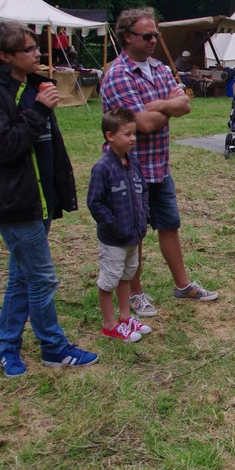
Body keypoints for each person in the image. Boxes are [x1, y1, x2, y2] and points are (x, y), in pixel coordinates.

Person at [0, 21, 98, 375]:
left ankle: (7, 346)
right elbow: (3, 147)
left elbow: (47, 145)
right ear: (5, 56)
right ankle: (53, 348)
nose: (37, 52)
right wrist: (39, 109)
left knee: (22, 277)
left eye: (35, 46)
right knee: (41, 278)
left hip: (40, 198)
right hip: (13, 201)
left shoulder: (34, 85)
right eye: (27, 49)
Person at [101, 7, 218, 317]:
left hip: (158, 167)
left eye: (155, 35)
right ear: (128, 37)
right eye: (147, 36)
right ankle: (135, 294)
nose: (153, 40)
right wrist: (168, 108)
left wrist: (160, 105)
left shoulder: (161, 68)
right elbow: (143, 124)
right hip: (128, 169)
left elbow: (185, 104)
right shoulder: (118, 74)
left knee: (169, 225)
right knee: (133, 234)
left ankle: (183, 285)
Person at [87, 108, 152, 343]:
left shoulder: (133, 162)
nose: (133, 138)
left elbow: (143, 190)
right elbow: (95, 203)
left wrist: (143, 215)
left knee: (126, 276)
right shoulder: (103, 167)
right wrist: (113, 224)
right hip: (114, 239)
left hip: (133, 235)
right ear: (110, 136)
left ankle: (125, 317)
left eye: (134, 134)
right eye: (127, 134)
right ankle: (109, 324)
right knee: (109, 281)